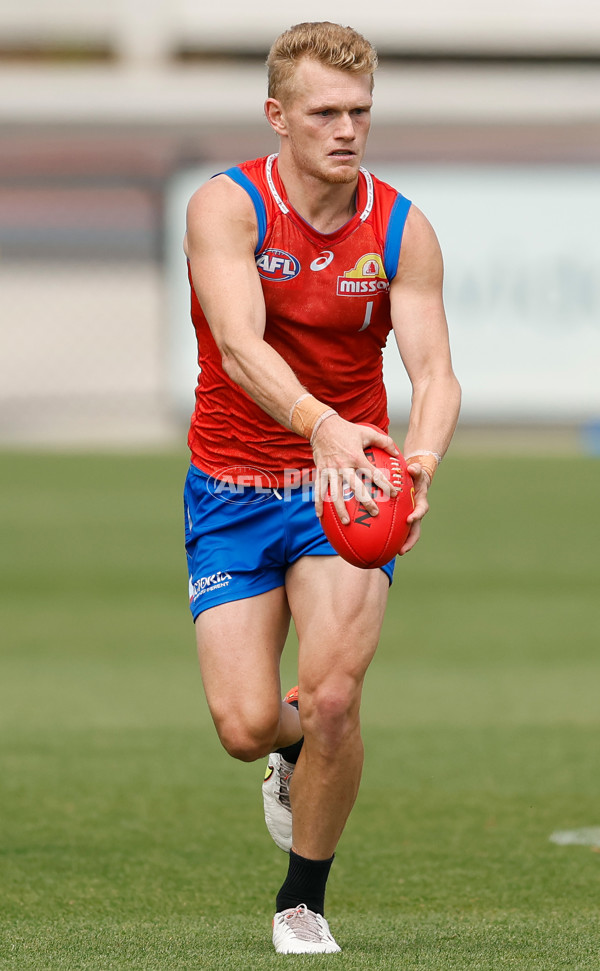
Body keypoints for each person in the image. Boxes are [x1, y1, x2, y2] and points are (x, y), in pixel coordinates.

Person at [183, 21, 461, 955]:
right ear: (277, 117)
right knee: (246, 722)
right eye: (325, 112)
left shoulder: (400, 225)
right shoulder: (227, 207)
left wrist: (417, 460)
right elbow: (237, 344)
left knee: (335, 695)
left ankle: (303, 899)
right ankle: (287, 753)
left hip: (343, 490)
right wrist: (322, 421)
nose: (347, 130)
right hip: (232, 483)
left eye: (360, 112)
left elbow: (437, 370)